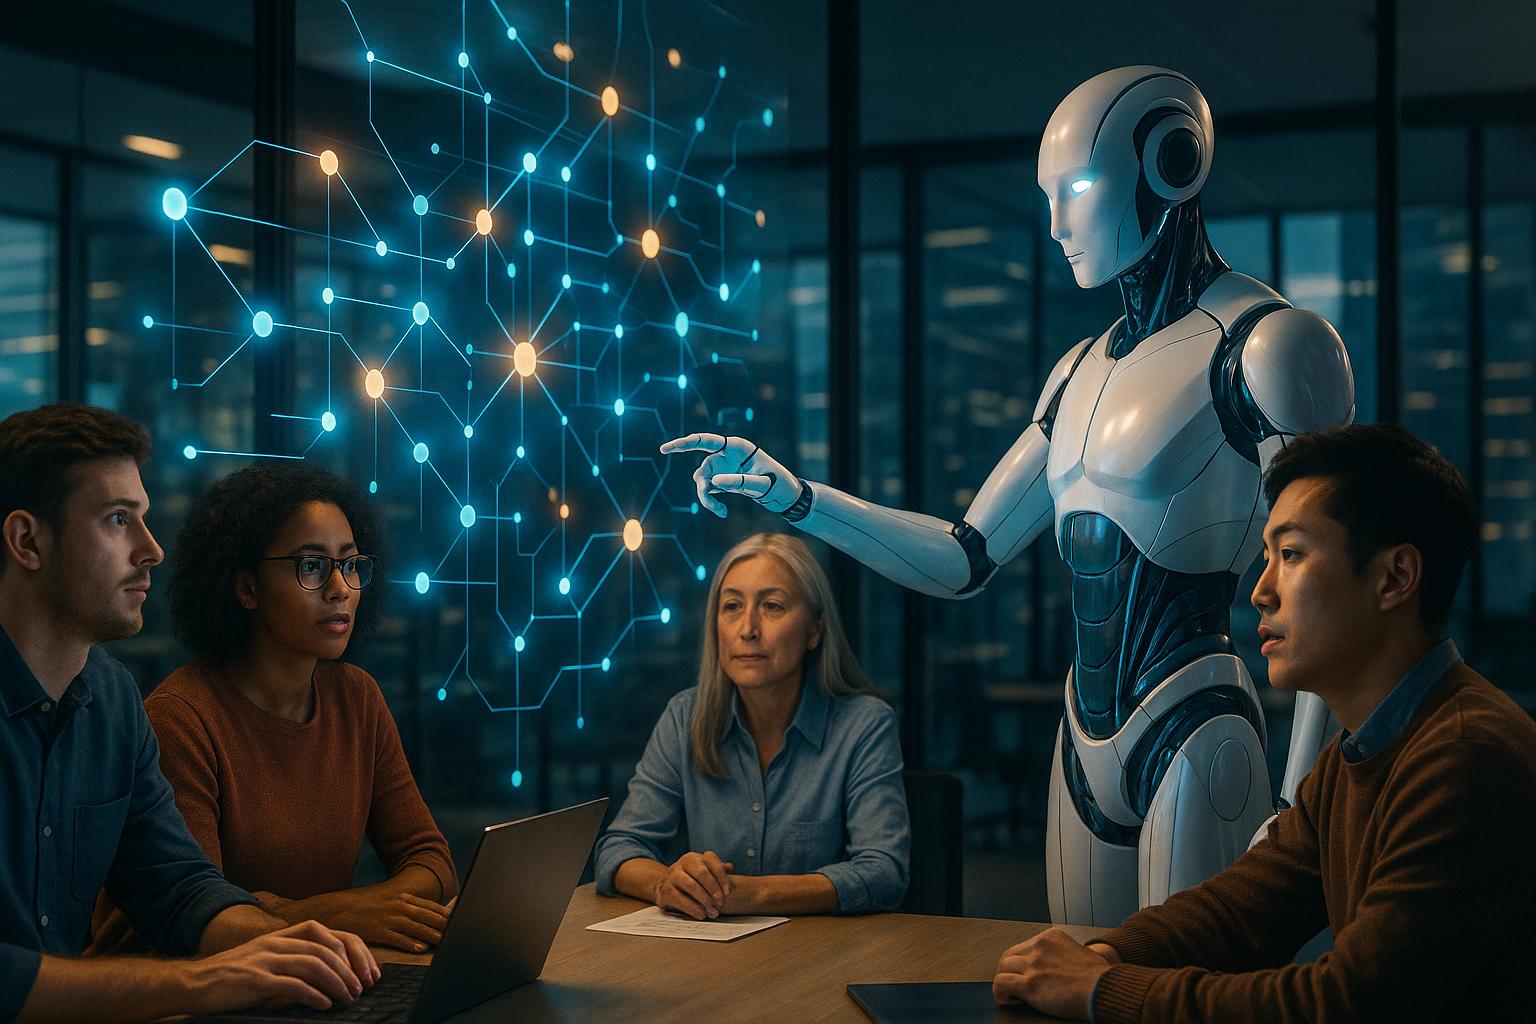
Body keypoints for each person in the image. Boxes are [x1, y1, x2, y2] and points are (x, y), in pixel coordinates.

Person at [989, 423, 1536, 1022]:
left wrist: (1101, 988)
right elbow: (1241, 913)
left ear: (1394, 578)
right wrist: (1107, 954)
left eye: (1292, 554)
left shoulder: (1463, 757)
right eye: (1267, 557)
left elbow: (1344, 1005)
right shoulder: (1367, 748)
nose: (1260, 591)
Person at [0, 404, 378, 1022]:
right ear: (27, 542)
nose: (152, 550)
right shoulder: (174, 708)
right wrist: (204, 982)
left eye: (143, 519)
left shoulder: (113, 700)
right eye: (117, 520)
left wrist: (284, 948)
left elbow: (178, 888)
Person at [91, 465, 458, 957]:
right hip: (175, 981)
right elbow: (191, 913)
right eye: (311, 566)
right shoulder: (181, 719)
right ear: (247, 588)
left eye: (351, 565)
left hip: (309, 970)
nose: (340, 588)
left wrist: (367, 910)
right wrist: (342, 914)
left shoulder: (357, 699)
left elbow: (431, 859)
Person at [595, 532, 910, 918]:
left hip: (821, 950)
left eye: (772, 606)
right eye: (732, 606)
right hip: (705, 948)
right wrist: (667, 883)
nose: (747, 629)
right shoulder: (684, 717)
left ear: (814, 630)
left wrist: (755, 894)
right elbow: (619, 848)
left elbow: (884, 873)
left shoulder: (864, 725)